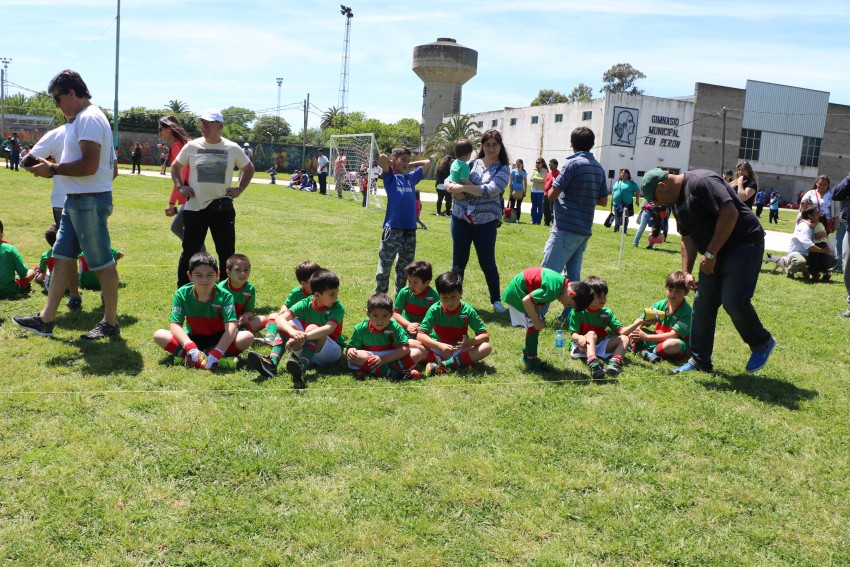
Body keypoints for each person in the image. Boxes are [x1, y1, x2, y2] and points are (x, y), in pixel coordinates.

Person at [15, 69, 121, 340]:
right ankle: (46, 319)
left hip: (90, 199)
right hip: (76, 199)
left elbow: (89, 164)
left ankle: (110, 322)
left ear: (72, 93)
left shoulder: (89, 119)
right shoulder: (82, 120)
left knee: (102, 263)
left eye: (57, 98)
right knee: (61, 257)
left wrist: (52, 169)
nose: (57, 104)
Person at [640, 167, 776, 374]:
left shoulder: (700, 181)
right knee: (703, 303)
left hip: (743, 244)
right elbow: (687, 237)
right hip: (713, 253)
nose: (657, 204)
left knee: (733, 300)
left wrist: (710, 254)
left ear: (662, 186)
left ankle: (762, 342)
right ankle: (700, 361)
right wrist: (686, 272)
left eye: (655, 199)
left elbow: (730, 213)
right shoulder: (677, 203)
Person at [171, 109, 255, 288]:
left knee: (226, 253)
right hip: (195, 208)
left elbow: (249, 169)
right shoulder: (192, 146)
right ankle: (183, 290)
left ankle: (227, 292)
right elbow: (175, 167)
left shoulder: (232, 148)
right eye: (202, 123)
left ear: (221, 125)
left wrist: (239, 189)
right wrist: (180, 186)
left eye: (209, 123)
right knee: (189, 253)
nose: (204, 126)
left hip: (221, 209)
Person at [541, 127, 607, 322]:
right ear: (592, 143)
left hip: (566, 227)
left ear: (572, 144)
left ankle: (537, 316)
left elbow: (552, 195)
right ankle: (569, 316)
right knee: (574, 278)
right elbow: (603, 201)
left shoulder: (571, 164)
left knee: (548, 274)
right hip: (584, 230)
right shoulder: (598, 167)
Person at [444, 129, 510, 313]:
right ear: (481, 146)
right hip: (461, 218)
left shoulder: (503, 168)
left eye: (494, 144)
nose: (490, 148)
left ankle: (496, 300)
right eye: (487, 144)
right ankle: (453, 299)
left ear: (500, 146)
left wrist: (461, 187)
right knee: (458, 263)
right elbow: (451, 177)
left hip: (487, 222)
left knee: (487, 262)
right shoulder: (471, 163)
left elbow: (491, 189)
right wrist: (450, 185)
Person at [153, 252, 254, 370]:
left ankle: (200, 358)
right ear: (190, 276)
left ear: (217, 275)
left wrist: (217, 352)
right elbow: (175, 325)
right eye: (199, 275)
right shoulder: (181, 293)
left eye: (210, 275)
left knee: (247, 337)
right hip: (193, 338)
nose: (204, 280)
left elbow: (231, 327)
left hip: (219, 338)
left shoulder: (225, 295)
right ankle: (200, 356)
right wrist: (190, 346)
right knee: (159, 335)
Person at [246, 270, 345, 387]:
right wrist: (292, 332)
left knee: (312, 327)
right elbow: (279, 319)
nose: (336, 297)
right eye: (332, 294)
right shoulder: (305, 303)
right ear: (317, 295)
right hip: (307, 348)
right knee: (288, 324)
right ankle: (271, 364)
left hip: (330, 352)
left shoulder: (337, 308)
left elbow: (328, 329)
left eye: (337, 292)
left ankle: (301, 368)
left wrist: (303, 336)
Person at [500, 267, 594, 371]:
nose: (565, 306)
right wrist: (536, 321)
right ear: (571, 293)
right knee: (533, 326)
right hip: (518, 293)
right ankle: (531, 362)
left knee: (534, 326)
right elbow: (527, 301)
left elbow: (537, 299)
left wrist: (538, 317)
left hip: (523, 291)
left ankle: (529, 356)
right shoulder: (553, 290)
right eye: (569, 304)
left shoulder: (559, 284)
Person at [375, 147, 429, 295]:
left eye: (408, 160)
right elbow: (383, 158)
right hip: (393, 229)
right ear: (394, 160)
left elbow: (428, 162)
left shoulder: (410, 178)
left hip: (409, 230)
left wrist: (407, 165)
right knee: (385, 268)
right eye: (403, 160)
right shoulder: (390, 177)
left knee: (405, 269)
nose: (406, 163)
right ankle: (380, 298)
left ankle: (400, 298)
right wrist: (394, 164)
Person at [416, 271, 492, 375]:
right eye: (445, 297)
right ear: (439, 295)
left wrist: (468, 342)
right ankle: (458, 363)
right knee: (411, 344)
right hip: (437, 349)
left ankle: (442, 365)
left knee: (486, 347)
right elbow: (420, 336)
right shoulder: (434, 309)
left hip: (458, 349)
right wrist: (439, 346)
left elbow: (484, 336)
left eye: (453, 296)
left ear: (461, 292)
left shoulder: (467, 310)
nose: (449, 302)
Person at [568, 276, 639, 379]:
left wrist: (637, 323)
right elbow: (573, 334)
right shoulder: (578, 311)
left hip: (600, 344)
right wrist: (580, 338)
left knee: (625, 338)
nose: (603, 299)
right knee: (591, 334)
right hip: (583, 345)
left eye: (604, 296)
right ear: (589, 296)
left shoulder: (607, 313)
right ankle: (594, 364)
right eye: (598, 296)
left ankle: (614, 363)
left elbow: (621, 332)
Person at [345, 292, 423, 380]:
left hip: (390, 356)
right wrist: (350, 351)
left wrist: (383, 359)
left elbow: (405, 348)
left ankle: (378, 371)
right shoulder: (360, 328)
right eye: (375, 316)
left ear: (391, 314)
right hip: (370, 356)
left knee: (417, 353)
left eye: (385, 316)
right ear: (368, 313)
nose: (380, 321)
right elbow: (352, 347)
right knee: (357, 356)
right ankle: (395, 373)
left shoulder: (394, 327)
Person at [629, 271, 693, 364]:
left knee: (673, 344)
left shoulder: (687, 311)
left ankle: (645, 350)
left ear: (686, 292)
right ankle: (645, 352)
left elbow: (673, 335)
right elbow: (640, 320)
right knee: (633, 329)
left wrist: (646, 337)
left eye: (678, 291)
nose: (672, 295)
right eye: (670, 290)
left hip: (676, 344)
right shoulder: (661, 304)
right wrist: (636, 332)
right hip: (656, 338)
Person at [261, 260, 324, 345]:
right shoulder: (296, 293)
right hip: (296, 326)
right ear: (303, 283)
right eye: (314, 279)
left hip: (313, 328)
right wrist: (284, 310)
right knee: (274, 316)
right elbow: (286, 305)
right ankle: (270, 338)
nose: (318, 281)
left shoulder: (322, 293)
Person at [159, 115, 197, 248]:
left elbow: (181, 176)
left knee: (180, 229)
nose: (160, 133)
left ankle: (202, 258)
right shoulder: (188, 141)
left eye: (161, 129)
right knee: (184, 229)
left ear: (169, 129)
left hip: (190, 195)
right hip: (195, 192)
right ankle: (196, 255)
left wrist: (171, 203)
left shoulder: (177, 146)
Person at [27, 122, 69, 226]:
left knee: (66, 241)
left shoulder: (57, 133)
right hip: (96, 199)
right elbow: (112, 172)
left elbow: (26, 162)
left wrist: (51, 169)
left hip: (62, 199)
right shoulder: (100, 130)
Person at [218, 253, 267, 334]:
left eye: (246, 270)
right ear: (228, 272)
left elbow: (249, 310)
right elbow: (216, 312)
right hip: (223, 322)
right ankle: (234, 333)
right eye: (238, 270)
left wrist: (245, 316)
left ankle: (239, 332)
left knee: (263, 319)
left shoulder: (250, 289)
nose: (242, 273)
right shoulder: (220, 288)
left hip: (239, 323)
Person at [392, 260, 439, 336]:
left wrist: (423, 328)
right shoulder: (405, 292)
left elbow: (436, 319)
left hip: (425, 330)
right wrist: (408, 325)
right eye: (409, 282)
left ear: (427, 283)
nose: (411, 286)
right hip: (405, 326)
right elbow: (395, 314)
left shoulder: (434, 297)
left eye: (415, 283)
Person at [787, 206, 834, 281]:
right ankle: (790, 270)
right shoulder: (804, 227)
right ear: (810, 216)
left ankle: (808, 270)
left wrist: (824, 233)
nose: (818, 214)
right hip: (798, 253)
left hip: (811, 254)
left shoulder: (815, 224)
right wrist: (823, 251)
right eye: (816, 213)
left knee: (832, 260)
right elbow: (809, 246)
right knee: (800, 262)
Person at [0, 219, 35, 299]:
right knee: (31, 272)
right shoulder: (10, 249)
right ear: (1, 233)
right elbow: (23, 271)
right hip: (8, 290)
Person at [612, 168, 639, 234]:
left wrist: (637, 200)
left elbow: (637, 190)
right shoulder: (618, 182)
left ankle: (624, 230)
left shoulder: (631, 182)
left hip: (626, 203)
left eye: (625, 173)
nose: (623, 174)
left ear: (628, 174)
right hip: (616, 203)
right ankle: (616, 229)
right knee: (617, 216)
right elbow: (614, 190)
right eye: (622, 173)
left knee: (625, 218)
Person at [507, 158, 527, 223]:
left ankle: (517, 219)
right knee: (512, 205)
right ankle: (510, 218)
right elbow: (510, 181)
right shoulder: (513, 171)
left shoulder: (524, 172)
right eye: (517, 164)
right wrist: (510, 191)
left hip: (521, 191)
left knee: (518, 206)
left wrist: (525, 191)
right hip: (514, 190)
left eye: (519, 164)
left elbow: (525, 182)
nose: (518, 165)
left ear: (522, 165)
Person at [528, 158, 547, 225]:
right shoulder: (534, 170)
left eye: (538, 163)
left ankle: (538, 221)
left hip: (540, 191)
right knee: (534, 206)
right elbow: (530, 179)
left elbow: (543, 179)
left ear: (542, 164)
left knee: (540, 206)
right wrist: (537, 179)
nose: (537, 164)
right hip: (533, 190)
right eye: (536, 162)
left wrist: (535, 178)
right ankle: (533, 220)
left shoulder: (545, 171)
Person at [543, 158, 558, 227]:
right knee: (546, 209)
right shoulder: (548, 173)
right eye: (549, 165)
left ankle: (553, 224)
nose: (550, 166)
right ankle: (546, 223)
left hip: (552, 194)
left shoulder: (558, 173)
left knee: (552, 210)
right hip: (546, 194)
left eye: (551, 165)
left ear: (556, 165)